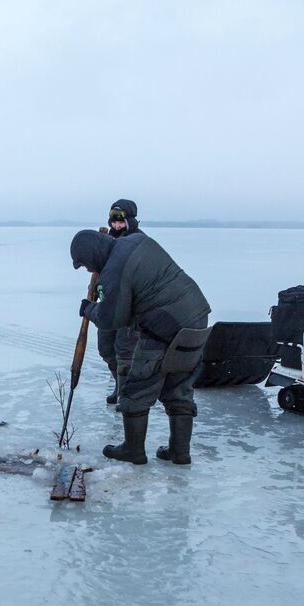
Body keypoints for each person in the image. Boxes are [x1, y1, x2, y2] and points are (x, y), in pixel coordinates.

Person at [70, 228, 210, 465]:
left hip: (164, 324)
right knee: (178, 385)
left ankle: (133, 450)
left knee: (137, 387)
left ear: (92, 253)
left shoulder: (114, 269)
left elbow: (113, 318)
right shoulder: (135, 241)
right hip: (197, 316)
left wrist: (89, 309)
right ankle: (179, 452)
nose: (89, 270)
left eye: (86, 265)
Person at [97, 199, 143, 406]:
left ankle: (126, 394)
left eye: (120, 222)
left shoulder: (138, 241)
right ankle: (118, 384)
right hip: (108, 304)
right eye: (114, 222)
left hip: (131, 307)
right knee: (106, 349)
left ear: (129, 221)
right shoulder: (107, 241)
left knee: (125, 351)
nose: (116, 226)